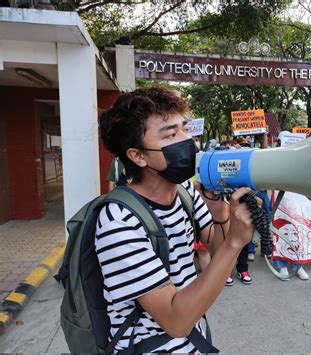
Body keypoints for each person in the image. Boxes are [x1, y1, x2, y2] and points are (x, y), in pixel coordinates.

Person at [97, 87, 255, 352]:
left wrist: (220, 214)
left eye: (184, 129)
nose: (187, 141)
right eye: (170, 134)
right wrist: (235, 243)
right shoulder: (118, 222)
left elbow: (219, 256)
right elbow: (176, 321)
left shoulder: (186, 194)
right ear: (138, 155)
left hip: (192, 341)